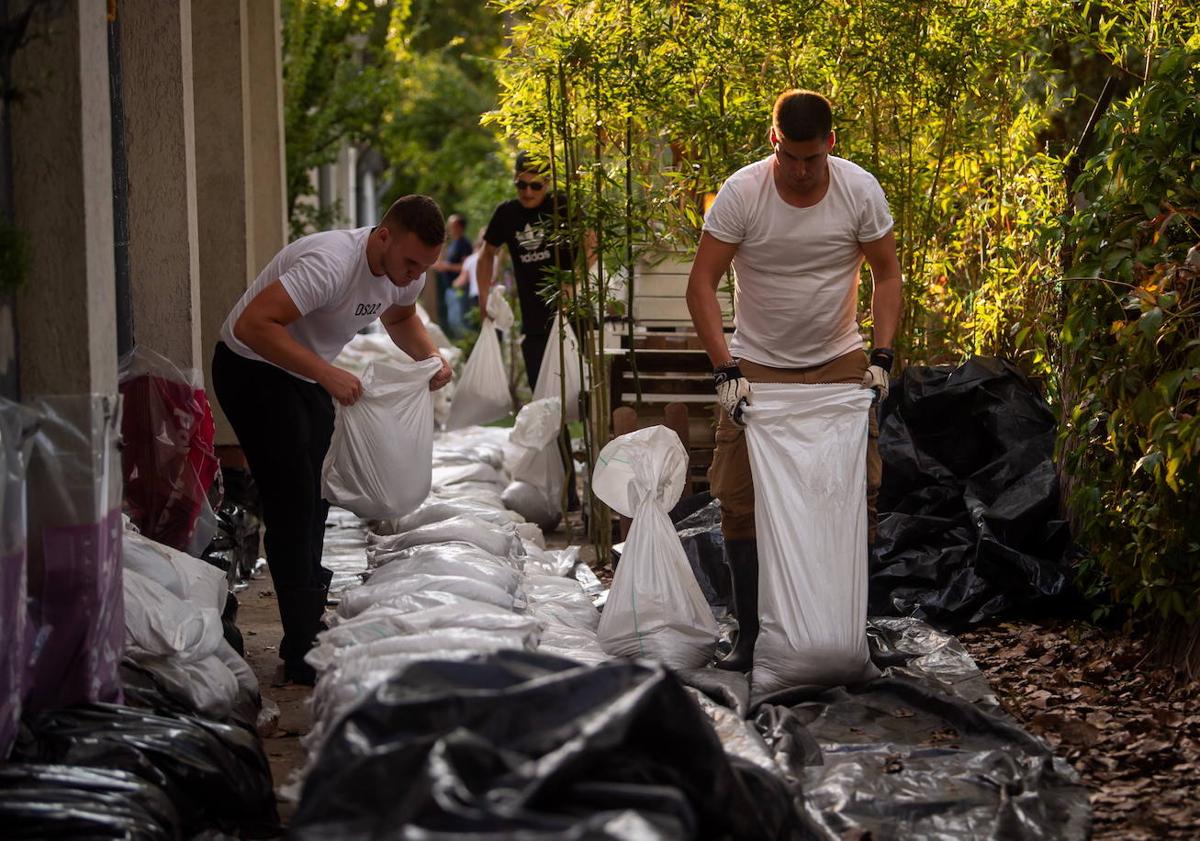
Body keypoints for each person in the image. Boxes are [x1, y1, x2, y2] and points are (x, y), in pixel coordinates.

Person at [685, 90, 902, 672]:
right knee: (739, 497)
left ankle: (852, 626)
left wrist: (881, 356)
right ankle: (751, 634)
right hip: (757, 362)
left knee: (854, 491)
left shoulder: (859, 190)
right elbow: (701, 282)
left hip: (838, 359)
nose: (803, 172)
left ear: (831, 143)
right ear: (773, 142)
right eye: (791, 158)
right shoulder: (743, 193)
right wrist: (724, 370)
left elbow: (886, 273)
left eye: (813, 158)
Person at [211, 195, 453, 685]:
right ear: (383, 235)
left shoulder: (407, 270)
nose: (413, 276)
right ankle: (301, 648)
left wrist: (431, 358)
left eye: (424, 267)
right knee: (293, 500)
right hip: (250, 367)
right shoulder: (330, 263)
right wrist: (326, 372)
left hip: (302, 373)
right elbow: (252, 325)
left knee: (314, 495)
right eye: (409, 262)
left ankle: (307, 624)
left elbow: (401, 317)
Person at [476, 152, 577, 390]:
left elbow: (591, 243)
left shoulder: (561, 206)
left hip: (573, 312)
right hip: (533, 317)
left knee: (580, 390)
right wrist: (483, 300)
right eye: (521, 184)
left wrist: (575, 283)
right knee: (539, 388)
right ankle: (555, 430)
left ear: (547, 183)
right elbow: (486, 254)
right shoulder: (507, 213)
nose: (528, 192)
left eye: (535, 185)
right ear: (514, 179)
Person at [432, 213, 473, 337]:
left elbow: (466, 266)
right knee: (453, 321)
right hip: (450, 288)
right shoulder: (453, 244)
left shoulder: (464, 244)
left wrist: (447, 266)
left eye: (452, 225)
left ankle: (468, 347)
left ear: (460, 227)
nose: (449, 228)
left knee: (459, 321)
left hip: (459, 288)